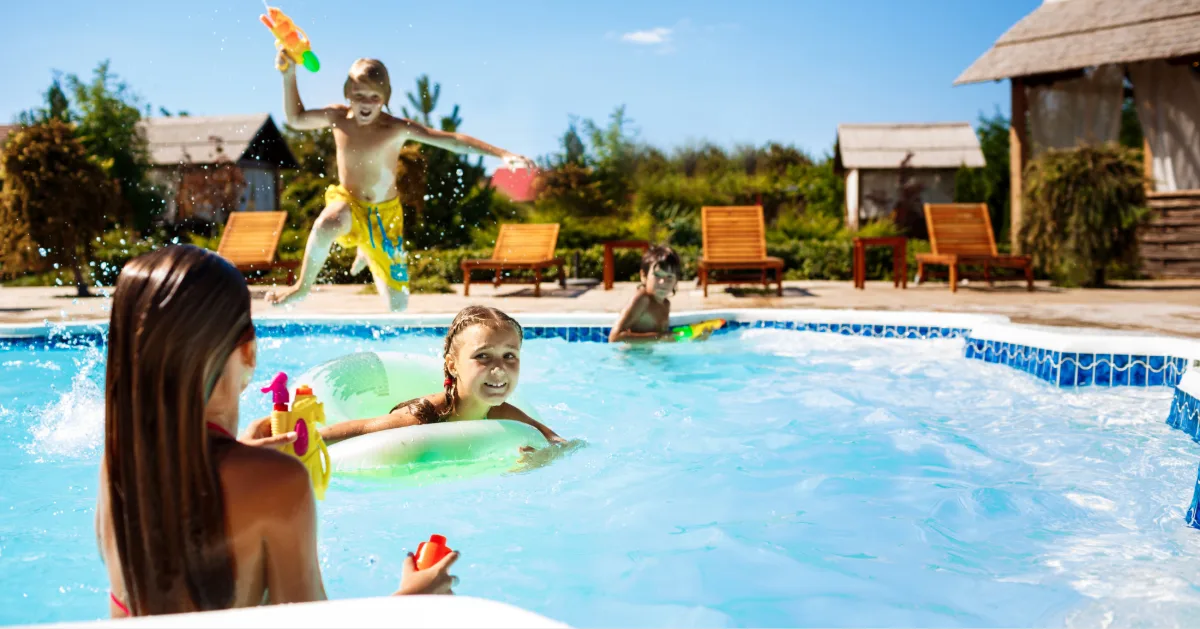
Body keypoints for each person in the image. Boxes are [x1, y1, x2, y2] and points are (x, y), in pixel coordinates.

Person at [96, 245, 457, 618]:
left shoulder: (118, 464)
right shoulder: (278, 482)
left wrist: (239, 450)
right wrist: (410, 603)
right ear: (249, 351)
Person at [265, 56, 535, 311]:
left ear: (385, 97)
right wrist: (288, 76)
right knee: (328, 222)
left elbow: (451, 140)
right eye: (359, 96)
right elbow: (296, 119)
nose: (366, 103)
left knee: (398, 305)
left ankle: (368, 249)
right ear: (348, 93)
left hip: (384, 218)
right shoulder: (337, 118)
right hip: (349, 203)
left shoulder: (395, 127)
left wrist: (502, 154)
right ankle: (302, 287)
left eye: (375, 97)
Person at [320, 306, 566, 448]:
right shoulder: (424, 417)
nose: (499, 368)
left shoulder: (501, 412)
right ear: (453, 365)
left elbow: (556, 442)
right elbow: (362, 429)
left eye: (509, 356)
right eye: (483, 356)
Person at [608, 245, 702, 343]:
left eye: (669, 277)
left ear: (676, 281)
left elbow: (667, 338)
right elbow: (614, 337)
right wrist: (660, 337)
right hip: (635, 356)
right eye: (657, 275)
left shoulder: (666, 304)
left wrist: (694, 336)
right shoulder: (642, 299)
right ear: (643, 276)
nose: (662, 282)